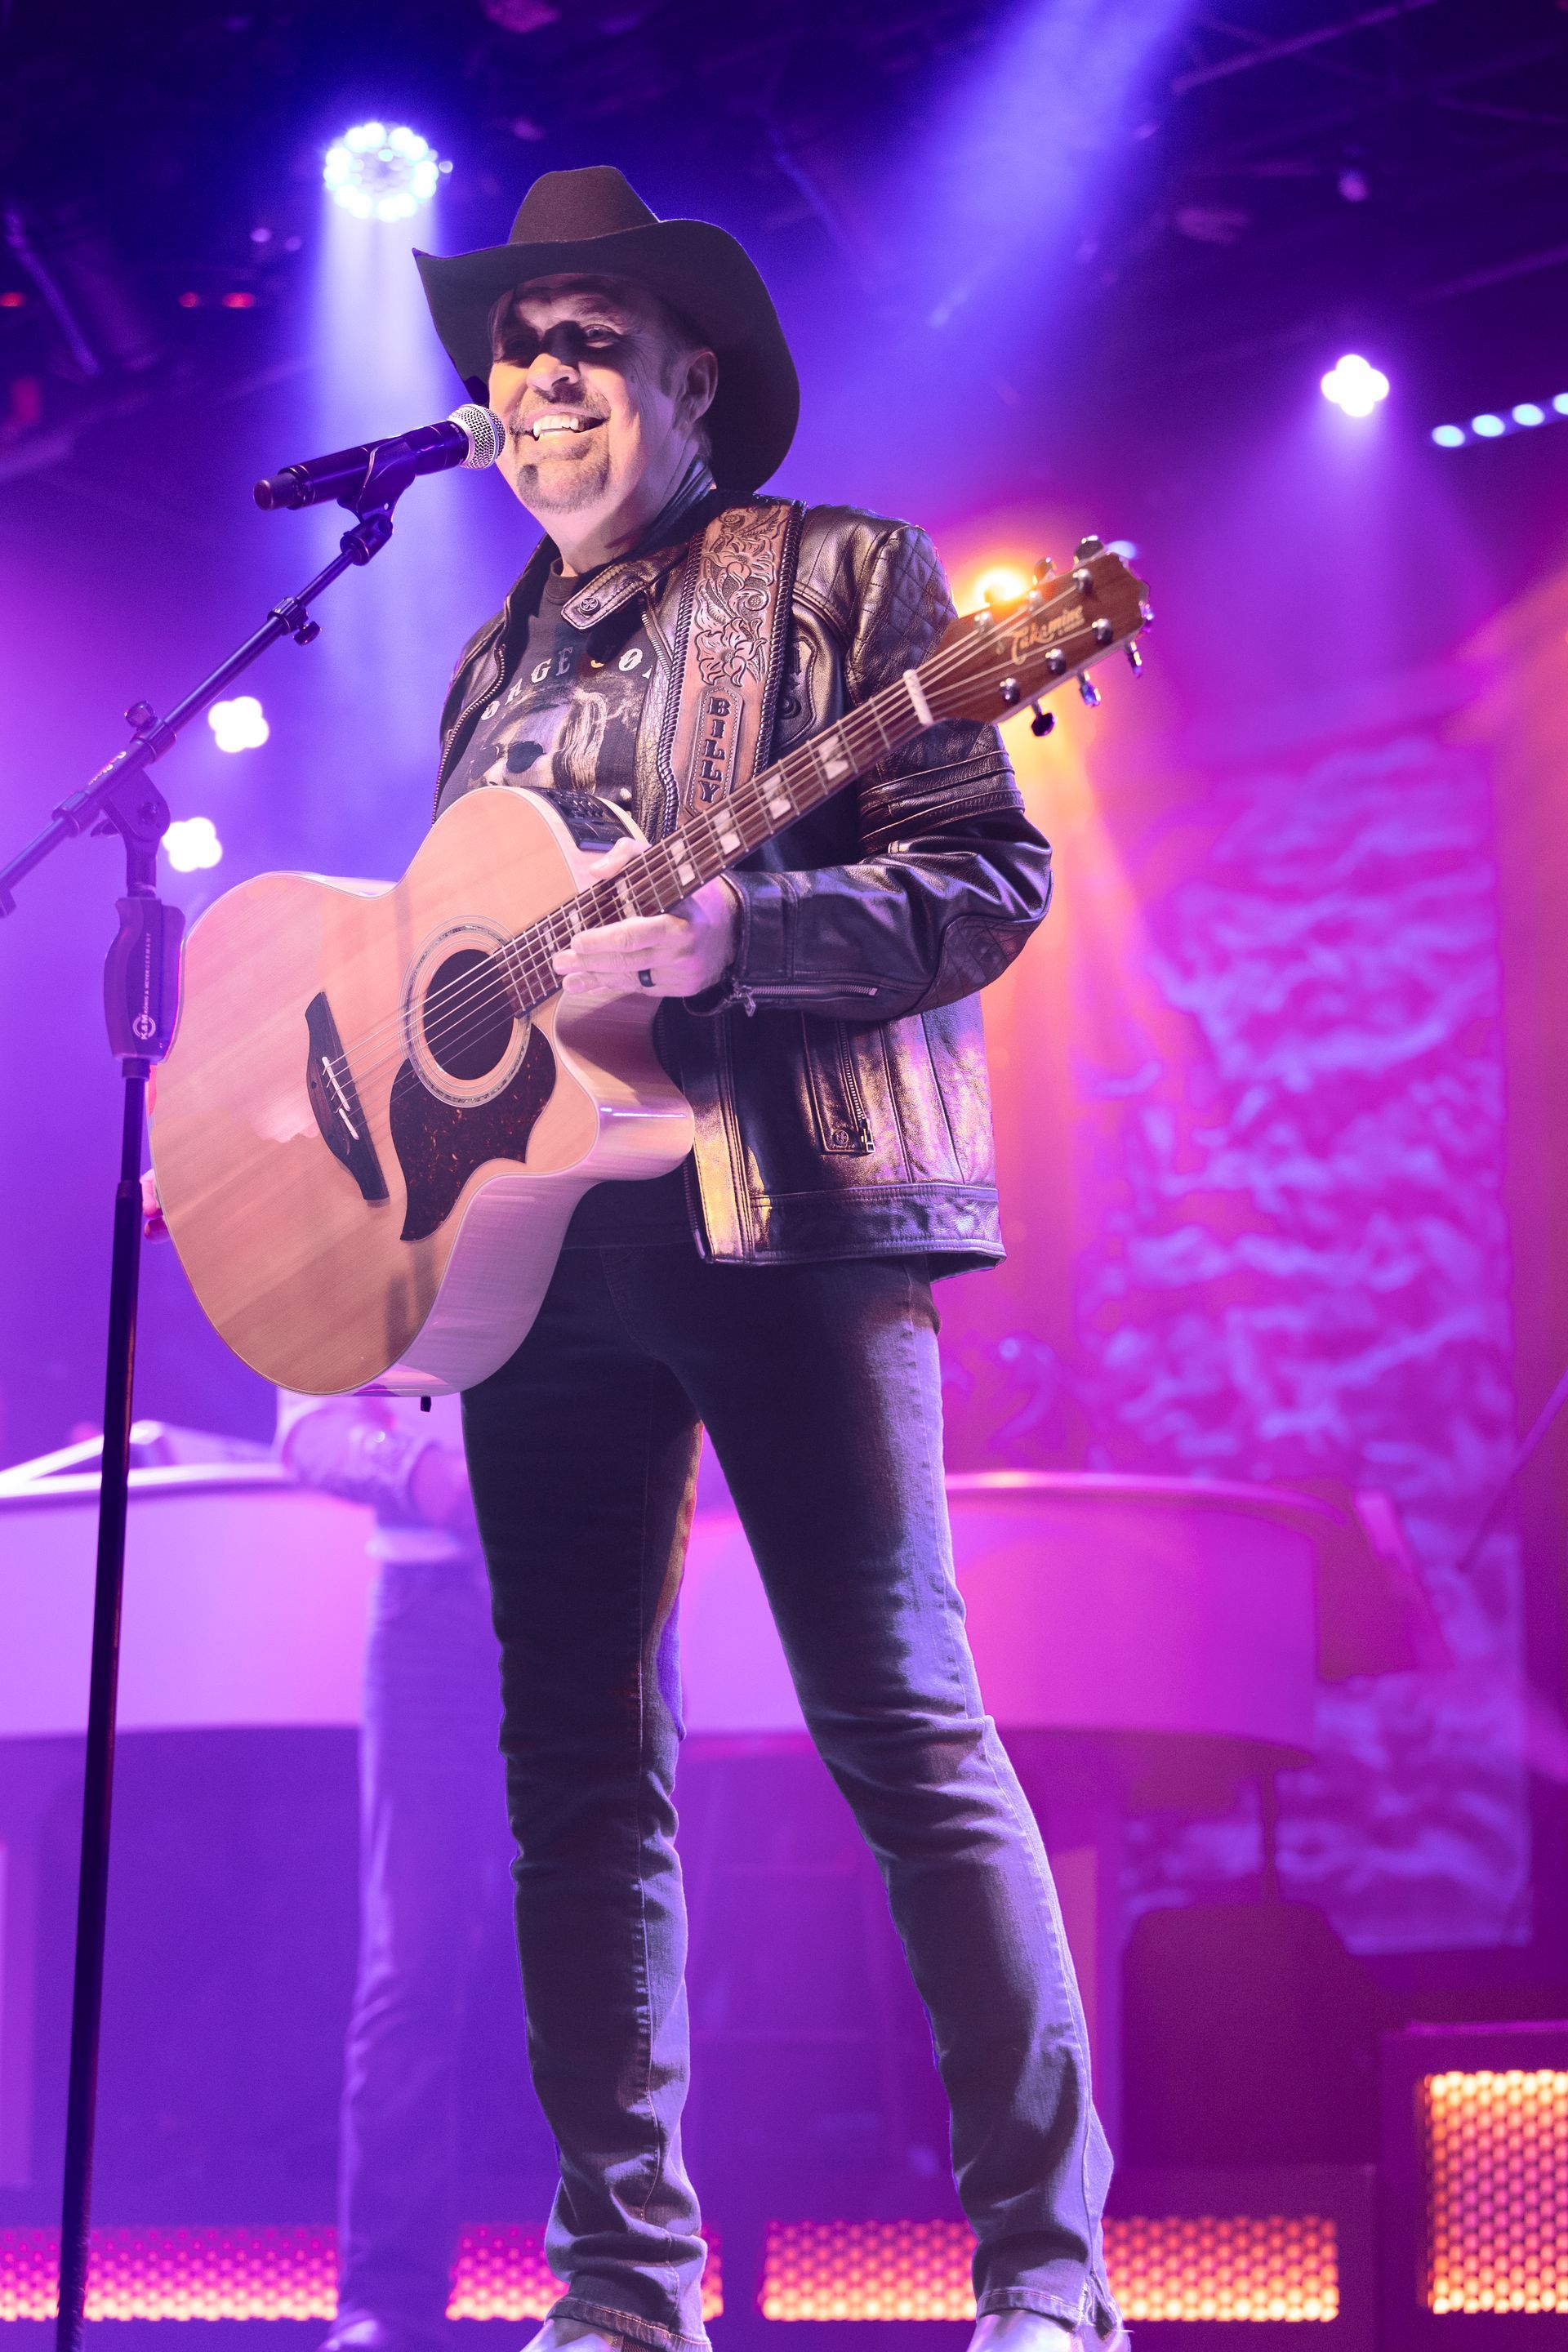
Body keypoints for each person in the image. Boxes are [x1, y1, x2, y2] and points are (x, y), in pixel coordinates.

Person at [410, 163, 1124, 2352]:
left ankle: (1049, 2284)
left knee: (900, 1725)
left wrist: (748, 932)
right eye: (515, 353)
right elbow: (447, 996)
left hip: (792, 1216)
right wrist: (331, 1166)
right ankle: (621, 2294)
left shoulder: (839, 579)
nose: (540, 382)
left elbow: (984, 882)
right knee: (572, 1771)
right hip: (543, 1263)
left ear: (693, 378)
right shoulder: (485, 666)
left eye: (589, 341)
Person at [276, 1388, 515, 2352]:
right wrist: (434, 1477)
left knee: (615, 1957)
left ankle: (622, 2286)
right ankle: (385, 2305)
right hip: (429, 1607)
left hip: (591, 1581)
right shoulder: (360, 1233)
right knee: (408, 1970)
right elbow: (307, 1424)